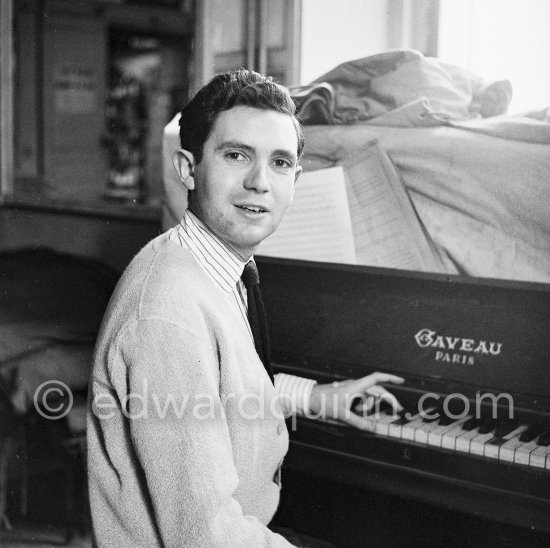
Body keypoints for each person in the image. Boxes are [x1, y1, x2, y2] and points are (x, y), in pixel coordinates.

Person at [87, 69, 404, 547]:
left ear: (295, 180)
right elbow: (208, 537)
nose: (260, 182)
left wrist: (314, 396)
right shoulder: (167, 314)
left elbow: (215, 391)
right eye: (236, 155)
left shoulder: (205, 265)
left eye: (279, 163)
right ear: (188, 169)